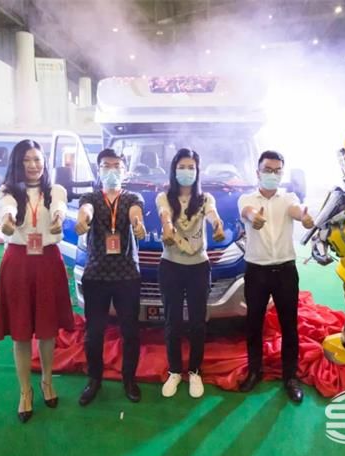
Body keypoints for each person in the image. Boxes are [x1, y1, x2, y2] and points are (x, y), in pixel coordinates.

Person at [0, 139, 75, 423]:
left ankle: (47, 382)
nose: (33, 165)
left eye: (37, 159)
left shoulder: (55, 190)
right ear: (17, 163)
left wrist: (59, 218)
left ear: (44, 162)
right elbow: (7, 208)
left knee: (48, 330)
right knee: (21, 331)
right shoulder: (7, 191)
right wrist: (7, 220)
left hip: (48, 261)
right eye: (26, 160)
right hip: (18, 262)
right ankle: (25, 391)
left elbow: (60, 207)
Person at [237, 150, 314, 403]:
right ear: (258, 172)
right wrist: (254, 217)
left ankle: (290, 377)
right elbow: (247, 211)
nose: (272, 174)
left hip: (285, 271)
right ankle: (254, 371)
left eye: (277, 171)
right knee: (253, 324)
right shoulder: (247, 198)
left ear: (282, 173)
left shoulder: (288, 197)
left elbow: (296, 210)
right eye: (267, 170)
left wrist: (304, 216)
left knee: (289, 325)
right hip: (256, 271)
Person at [75, 148, 146, 406]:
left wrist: (138, 224)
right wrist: (82, 220)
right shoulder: (91, 197)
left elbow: (135, 213)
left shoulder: (132, 198)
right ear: (99, 169)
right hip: (96, 274)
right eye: (106, 165)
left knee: (130, 332)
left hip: (126, 275)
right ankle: (94, 379)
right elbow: (86, 211)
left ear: (125, 171)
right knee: (94, 332)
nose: (112, 170)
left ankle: (129, 379)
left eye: (117, 165)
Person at [157, 148, 225, 398]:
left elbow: (212, 214)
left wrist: (217, 224)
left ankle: (195, 371)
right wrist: (167, 227)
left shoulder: (205, 198)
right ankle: (175, 371)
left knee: (197, 322)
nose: (186, 171)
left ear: (197, 171)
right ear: (174, 170)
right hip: (171, 266)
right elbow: (165, 215)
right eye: (182, 167)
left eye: (191, 167)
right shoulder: (164, 196)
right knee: (172, 321)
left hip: (198, 267)